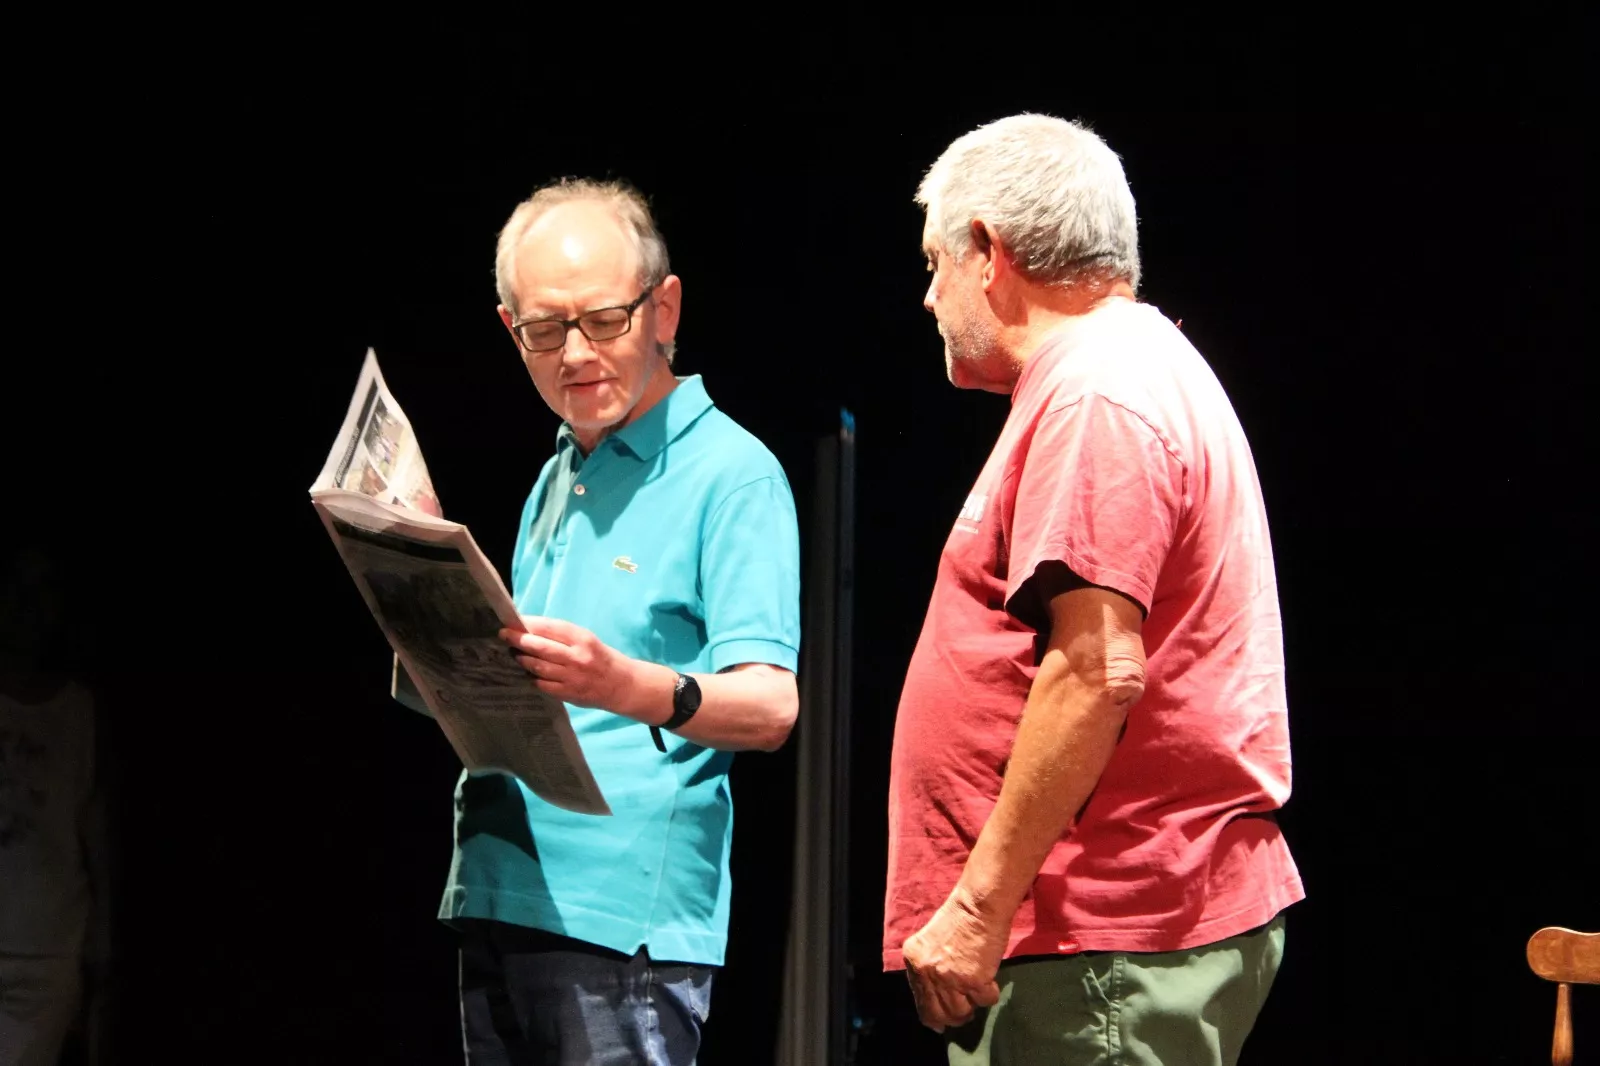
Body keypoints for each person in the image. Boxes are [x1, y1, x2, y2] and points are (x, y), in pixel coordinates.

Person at [883, 114, 1305, 1066]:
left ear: (989, 251)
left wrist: (975, 910)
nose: (928, 299)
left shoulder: (1096, 392)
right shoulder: (1125, 370)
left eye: (933, 263)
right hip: (1095, 944)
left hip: (1099, 946)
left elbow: (1096, 670)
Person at [440, 177, 801, 1065]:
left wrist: (624, 684)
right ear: (509, 331)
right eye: (544, 330)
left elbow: (771, 707)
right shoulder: (560, 470)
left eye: (604, 320)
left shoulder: (733, 474)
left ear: (664, 308)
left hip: (620, 918)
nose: (575, 354)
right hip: (500, 883)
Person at [0, 539, 113, 1066]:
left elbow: (94, 835)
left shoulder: (79, 713)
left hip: (46, 953)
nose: (28, 605)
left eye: (41, 590)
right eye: (16, 588)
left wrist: (101, 944)